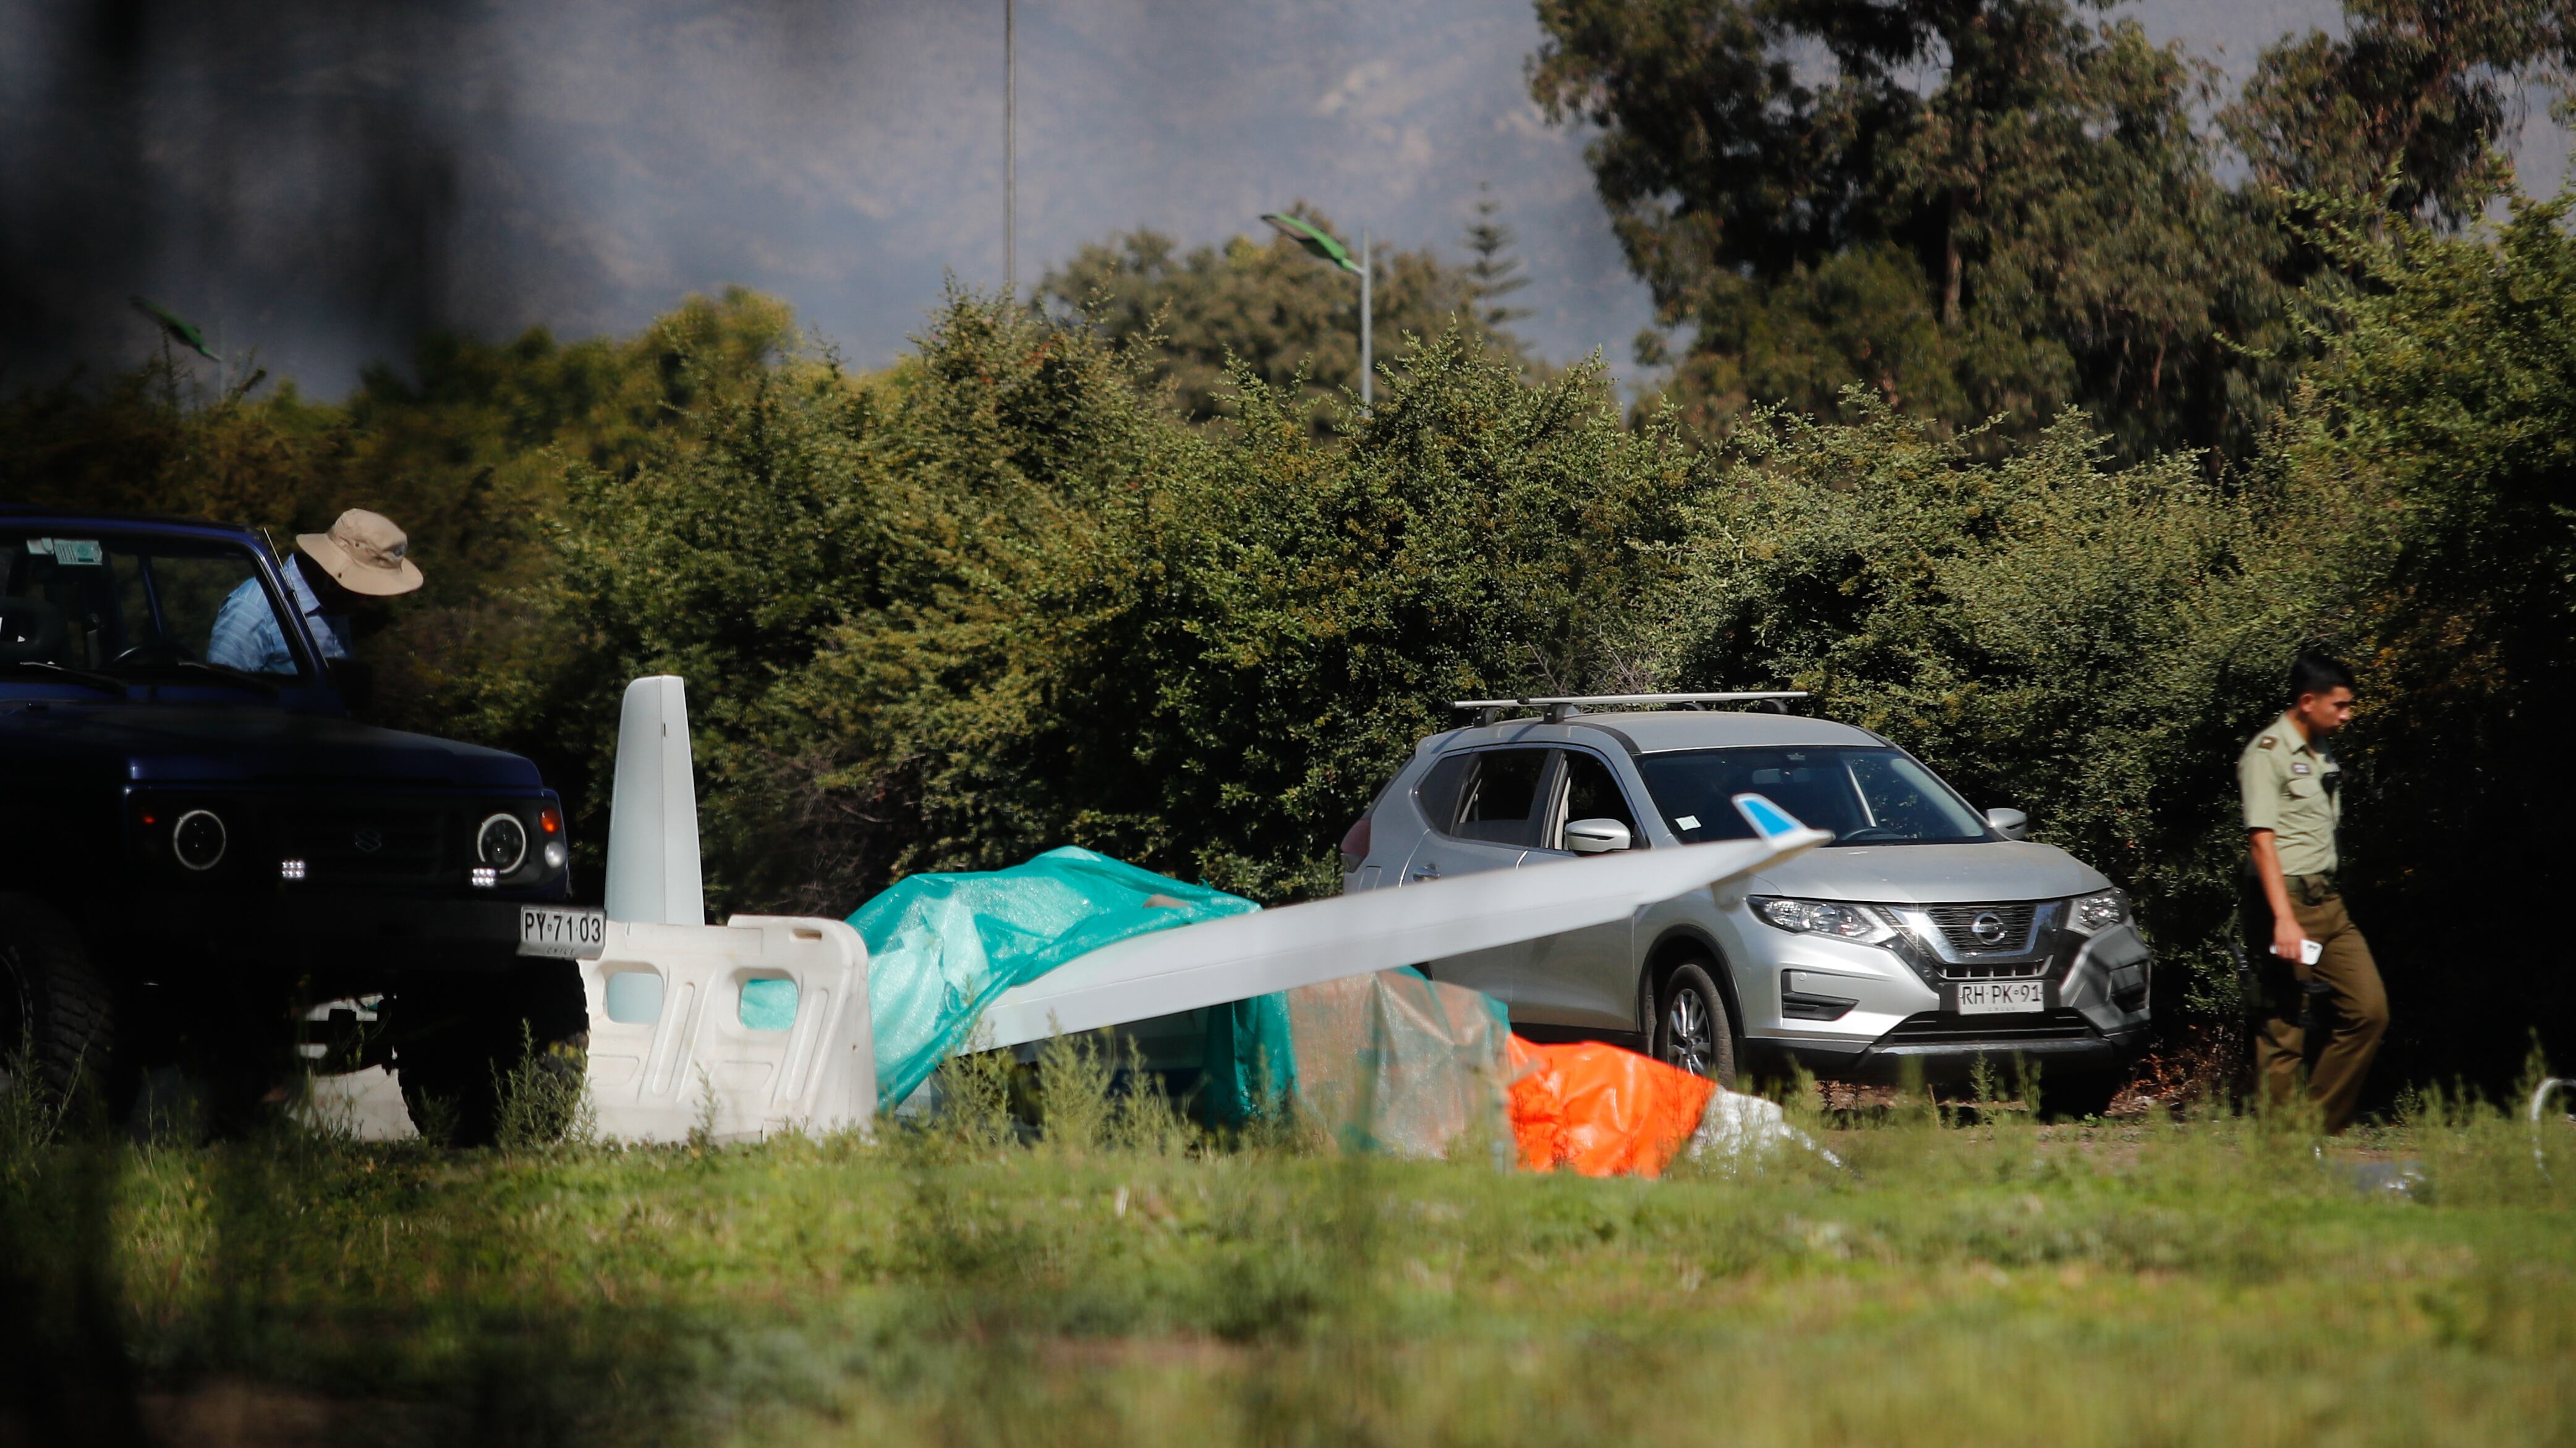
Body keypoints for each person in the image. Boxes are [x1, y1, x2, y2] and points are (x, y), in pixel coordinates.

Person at [2238, 651, 2387, 1133]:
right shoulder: (2265, 754)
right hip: (2284, 900)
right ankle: (2284, 1158)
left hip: (2327, 902)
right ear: (2308, 701)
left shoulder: (2321, 748)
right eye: (2339, 705)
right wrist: (2282, 918)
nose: (2346, 715)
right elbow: (2261, 840)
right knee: (2284, 1031)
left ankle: (2313, 1128)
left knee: (2368, 1011)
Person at [207, 509, 423, 675]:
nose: (367, 597)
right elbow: (221, 704)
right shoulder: (254, 610)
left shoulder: (334, 603)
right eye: (364, 587)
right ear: (333, 576)